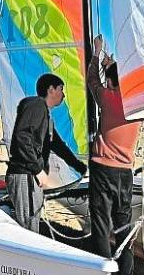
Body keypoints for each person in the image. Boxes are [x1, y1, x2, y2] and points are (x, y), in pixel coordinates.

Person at [87, 34, 144, 275]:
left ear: (110, 80)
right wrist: (112, 67)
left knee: (101, 226)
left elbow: (91, 82)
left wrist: (97, 54)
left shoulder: (108, 98)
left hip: (102, 169)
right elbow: (114, 82)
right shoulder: (138, 107)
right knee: (123, 227)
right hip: (125, 173)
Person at [6, 73, 87, 233]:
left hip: (31, 174)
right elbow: (22, 137)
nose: (63, 94)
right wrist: (37, 169)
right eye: (61, 89)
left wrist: (80, 167)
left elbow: (57, 145)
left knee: (33, 222)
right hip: (24, 174)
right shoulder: (36, 105)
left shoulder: (46, 116)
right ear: (51, 90)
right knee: (27, 226)